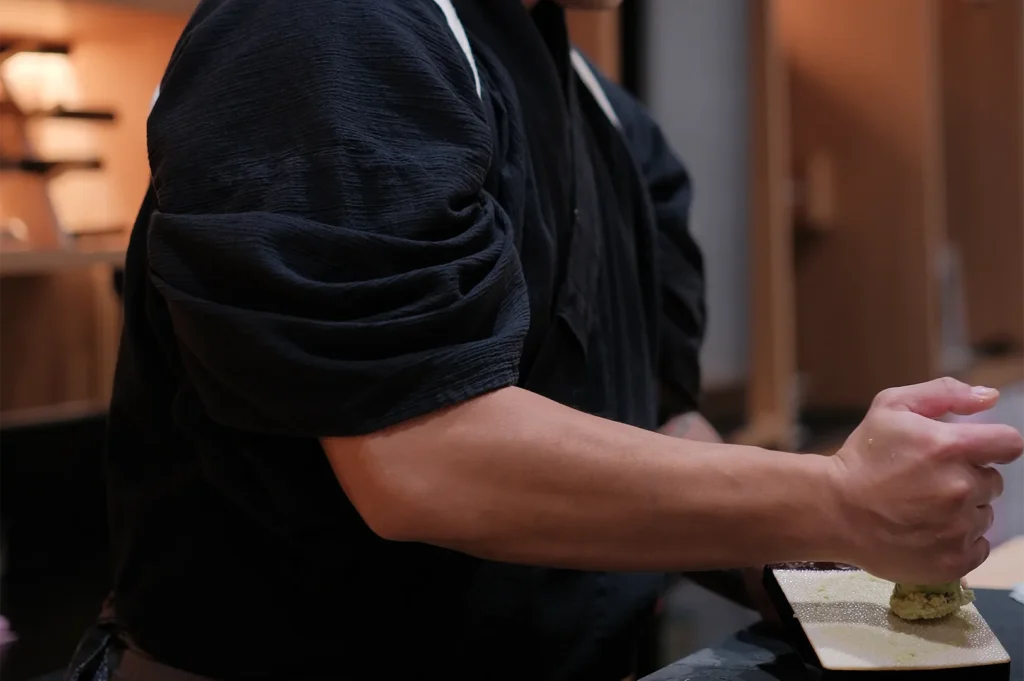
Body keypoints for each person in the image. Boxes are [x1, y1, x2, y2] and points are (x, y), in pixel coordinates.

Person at [66, 0, 1021, 680]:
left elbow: (659, 422)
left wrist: (834, 568)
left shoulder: (607, 115)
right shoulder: (325, 28)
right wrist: (837, 499)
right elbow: (420, 455)